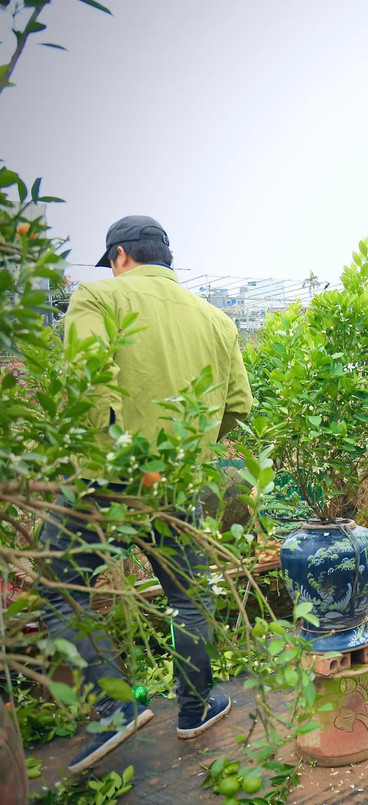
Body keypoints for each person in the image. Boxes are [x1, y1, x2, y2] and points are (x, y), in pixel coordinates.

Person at [39, 215, 252, 773]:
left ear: (119, 256)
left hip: (107, 478)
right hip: (175, 480)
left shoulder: (97, 297)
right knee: (188, 598)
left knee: (61, 592)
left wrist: (112, 456)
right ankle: (195, 708)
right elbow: (237, 406)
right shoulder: (216, 319)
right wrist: (187, 452)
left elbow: (89, 382)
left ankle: (115, 708)